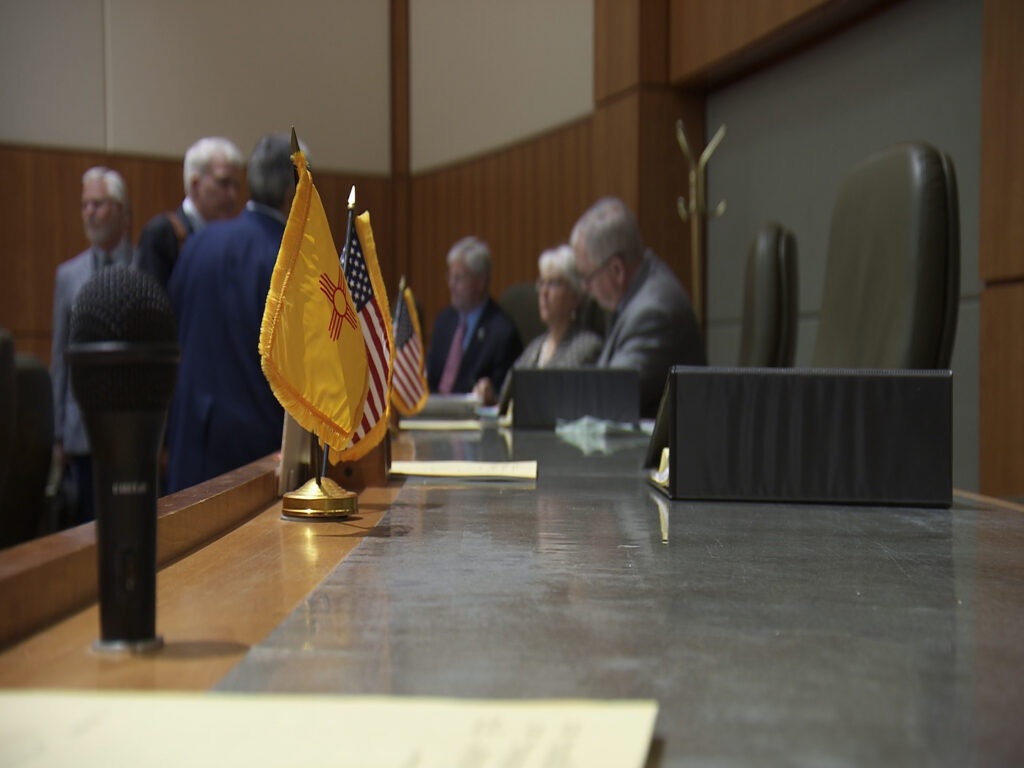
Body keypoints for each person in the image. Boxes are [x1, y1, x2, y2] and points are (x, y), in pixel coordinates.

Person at [164, 133, 295, 494]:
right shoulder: (290, 259)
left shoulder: (198, 243)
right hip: (255, 457)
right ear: (292, 193)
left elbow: (171, 329)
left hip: (188, 440)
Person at [571, 196, 705, 417]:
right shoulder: (637, 293)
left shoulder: (653, 312)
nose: (585, 288)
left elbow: (609, 397)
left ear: (617, 270)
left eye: (587, 277)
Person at [51, 167, 134, 523]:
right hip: (81, 431)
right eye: (85, 205)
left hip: (132, 431)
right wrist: (55, 435)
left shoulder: (145, 268)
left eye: (98, 204)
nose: (90, 213)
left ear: (121, 210)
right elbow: (60, 356)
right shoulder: (68, 276)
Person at [477, 244, 603, 407]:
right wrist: (490, 399)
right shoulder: (535, 346)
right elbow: (507, 404)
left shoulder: (587, 347)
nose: (544, 292)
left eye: (553, 284)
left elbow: (556, 405)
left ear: (575, 296)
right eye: (542, 283)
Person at [136, 136, 243, 288]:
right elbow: (149, 306)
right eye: (223, 183)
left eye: (236, 186)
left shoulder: (235, 240)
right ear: (195, 184)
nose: (233, 195)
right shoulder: (162, 234)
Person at [426, 236, 522, 398]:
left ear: (481, 281)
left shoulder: (502, 332)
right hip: (431, 413)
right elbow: (430, 378)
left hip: (470, 419)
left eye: (459, 278)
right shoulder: (444, 321)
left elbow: (501, 394)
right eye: (450, 277)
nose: (451, 285)